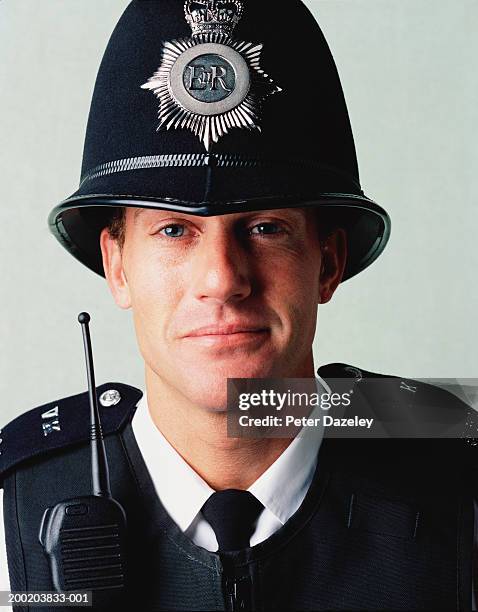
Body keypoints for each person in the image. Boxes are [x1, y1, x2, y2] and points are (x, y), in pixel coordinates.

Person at [0, 1, 476, 610]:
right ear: (117, 267)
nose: (222, 280)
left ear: (328, 263)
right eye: (174, 231)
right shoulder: (13, 513)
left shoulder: (457, 483)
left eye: (265, 227)